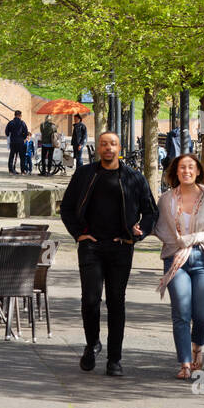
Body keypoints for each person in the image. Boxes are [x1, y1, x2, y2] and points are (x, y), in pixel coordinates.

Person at [60, 130, 158, 376]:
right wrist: (77, 233)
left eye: (112, 144)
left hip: (121, 246)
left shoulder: (134, 178)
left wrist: (139, 232)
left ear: (119, 147)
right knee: (90, 300)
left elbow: (151, 211)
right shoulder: (84, 174)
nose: (108, 148)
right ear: (99, 148)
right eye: (103, 144)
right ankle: (92, 344)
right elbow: (67, 207)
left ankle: (115, 359)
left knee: (116, 302)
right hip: (91, 245)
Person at [154, 154, 204, 379]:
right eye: (182, 167)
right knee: (181, 313)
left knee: (203, 315)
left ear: (198, 171)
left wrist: (192, 238)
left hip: (203, 258)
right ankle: (184, 363)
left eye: (191, 167)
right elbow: (160, 228)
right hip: (175, 259)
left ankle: (198, 346)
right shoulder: (166, 199)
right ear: (175, 171)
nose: (186, 171)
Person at [6, 110, 29, 175]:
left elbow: (7, 133)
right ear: (19, 115)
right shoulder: (22, 123)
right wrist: (23, 138)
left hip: (13, 142)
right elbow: (26, 132)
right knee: (22, 157)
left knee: (11, 156)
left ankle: (11, 171)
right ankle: (22, 171)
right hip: (20, 142)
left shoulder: (10, 123)